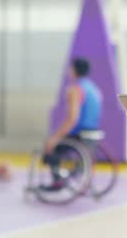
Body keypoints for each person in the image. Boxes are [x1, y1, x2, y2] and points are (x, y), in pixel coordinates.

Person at [41, 57, 103, 190]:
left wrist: (54, 138)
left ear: (73, 70)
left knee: (51, 147)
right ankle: (78, 177)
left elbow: (72, 119)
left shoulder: (75, 89)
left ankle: (58, 181)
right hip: (93, 133)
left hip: (79, 134)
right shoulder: (94, 89)